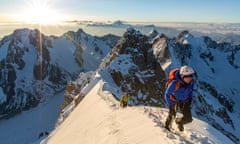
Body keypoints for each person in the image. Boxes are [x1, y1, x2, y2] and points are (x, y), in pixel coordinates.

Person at [165, 65, 195, 131]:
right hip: (174, 100)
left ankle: (179, 122)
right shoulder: (175, 83)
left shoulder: (191, 83)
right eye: (187, 76)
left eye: (191, 76)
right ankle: (166, 129)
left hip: (185, 101)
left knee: (188, 119)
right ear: (182, 76)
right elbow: (167, 94)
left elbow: (190, 91)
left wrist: (190, 100)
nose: (189, 78)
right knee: (172, 114)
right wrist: (170, 104)